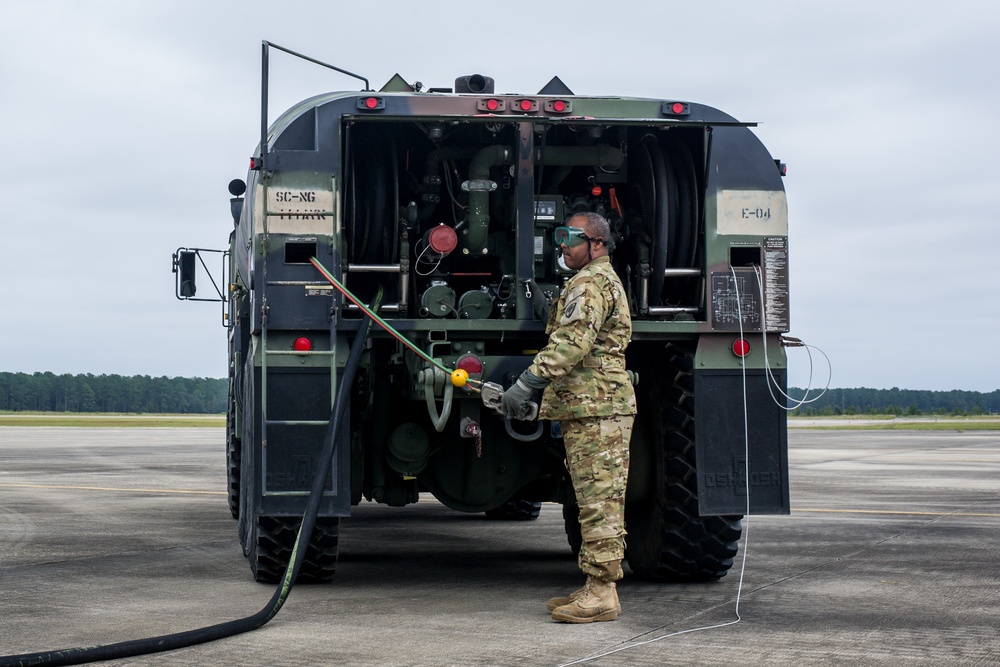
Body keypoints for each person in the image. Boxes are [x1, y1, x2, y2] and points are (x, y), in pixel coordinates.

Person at [501, 211, 636, 623]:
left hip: (598, 408)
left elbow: (571, 345)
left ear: (596, 243)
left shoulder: (591, 283)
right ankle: (594, 584)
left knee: (600, 502)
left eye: (570, 237)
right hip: (593, 405)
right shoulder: (590, 281)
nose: (561, 245)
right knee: (593, 498)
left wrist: (527, 382)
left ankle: (602, 592)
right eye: (559, 236)